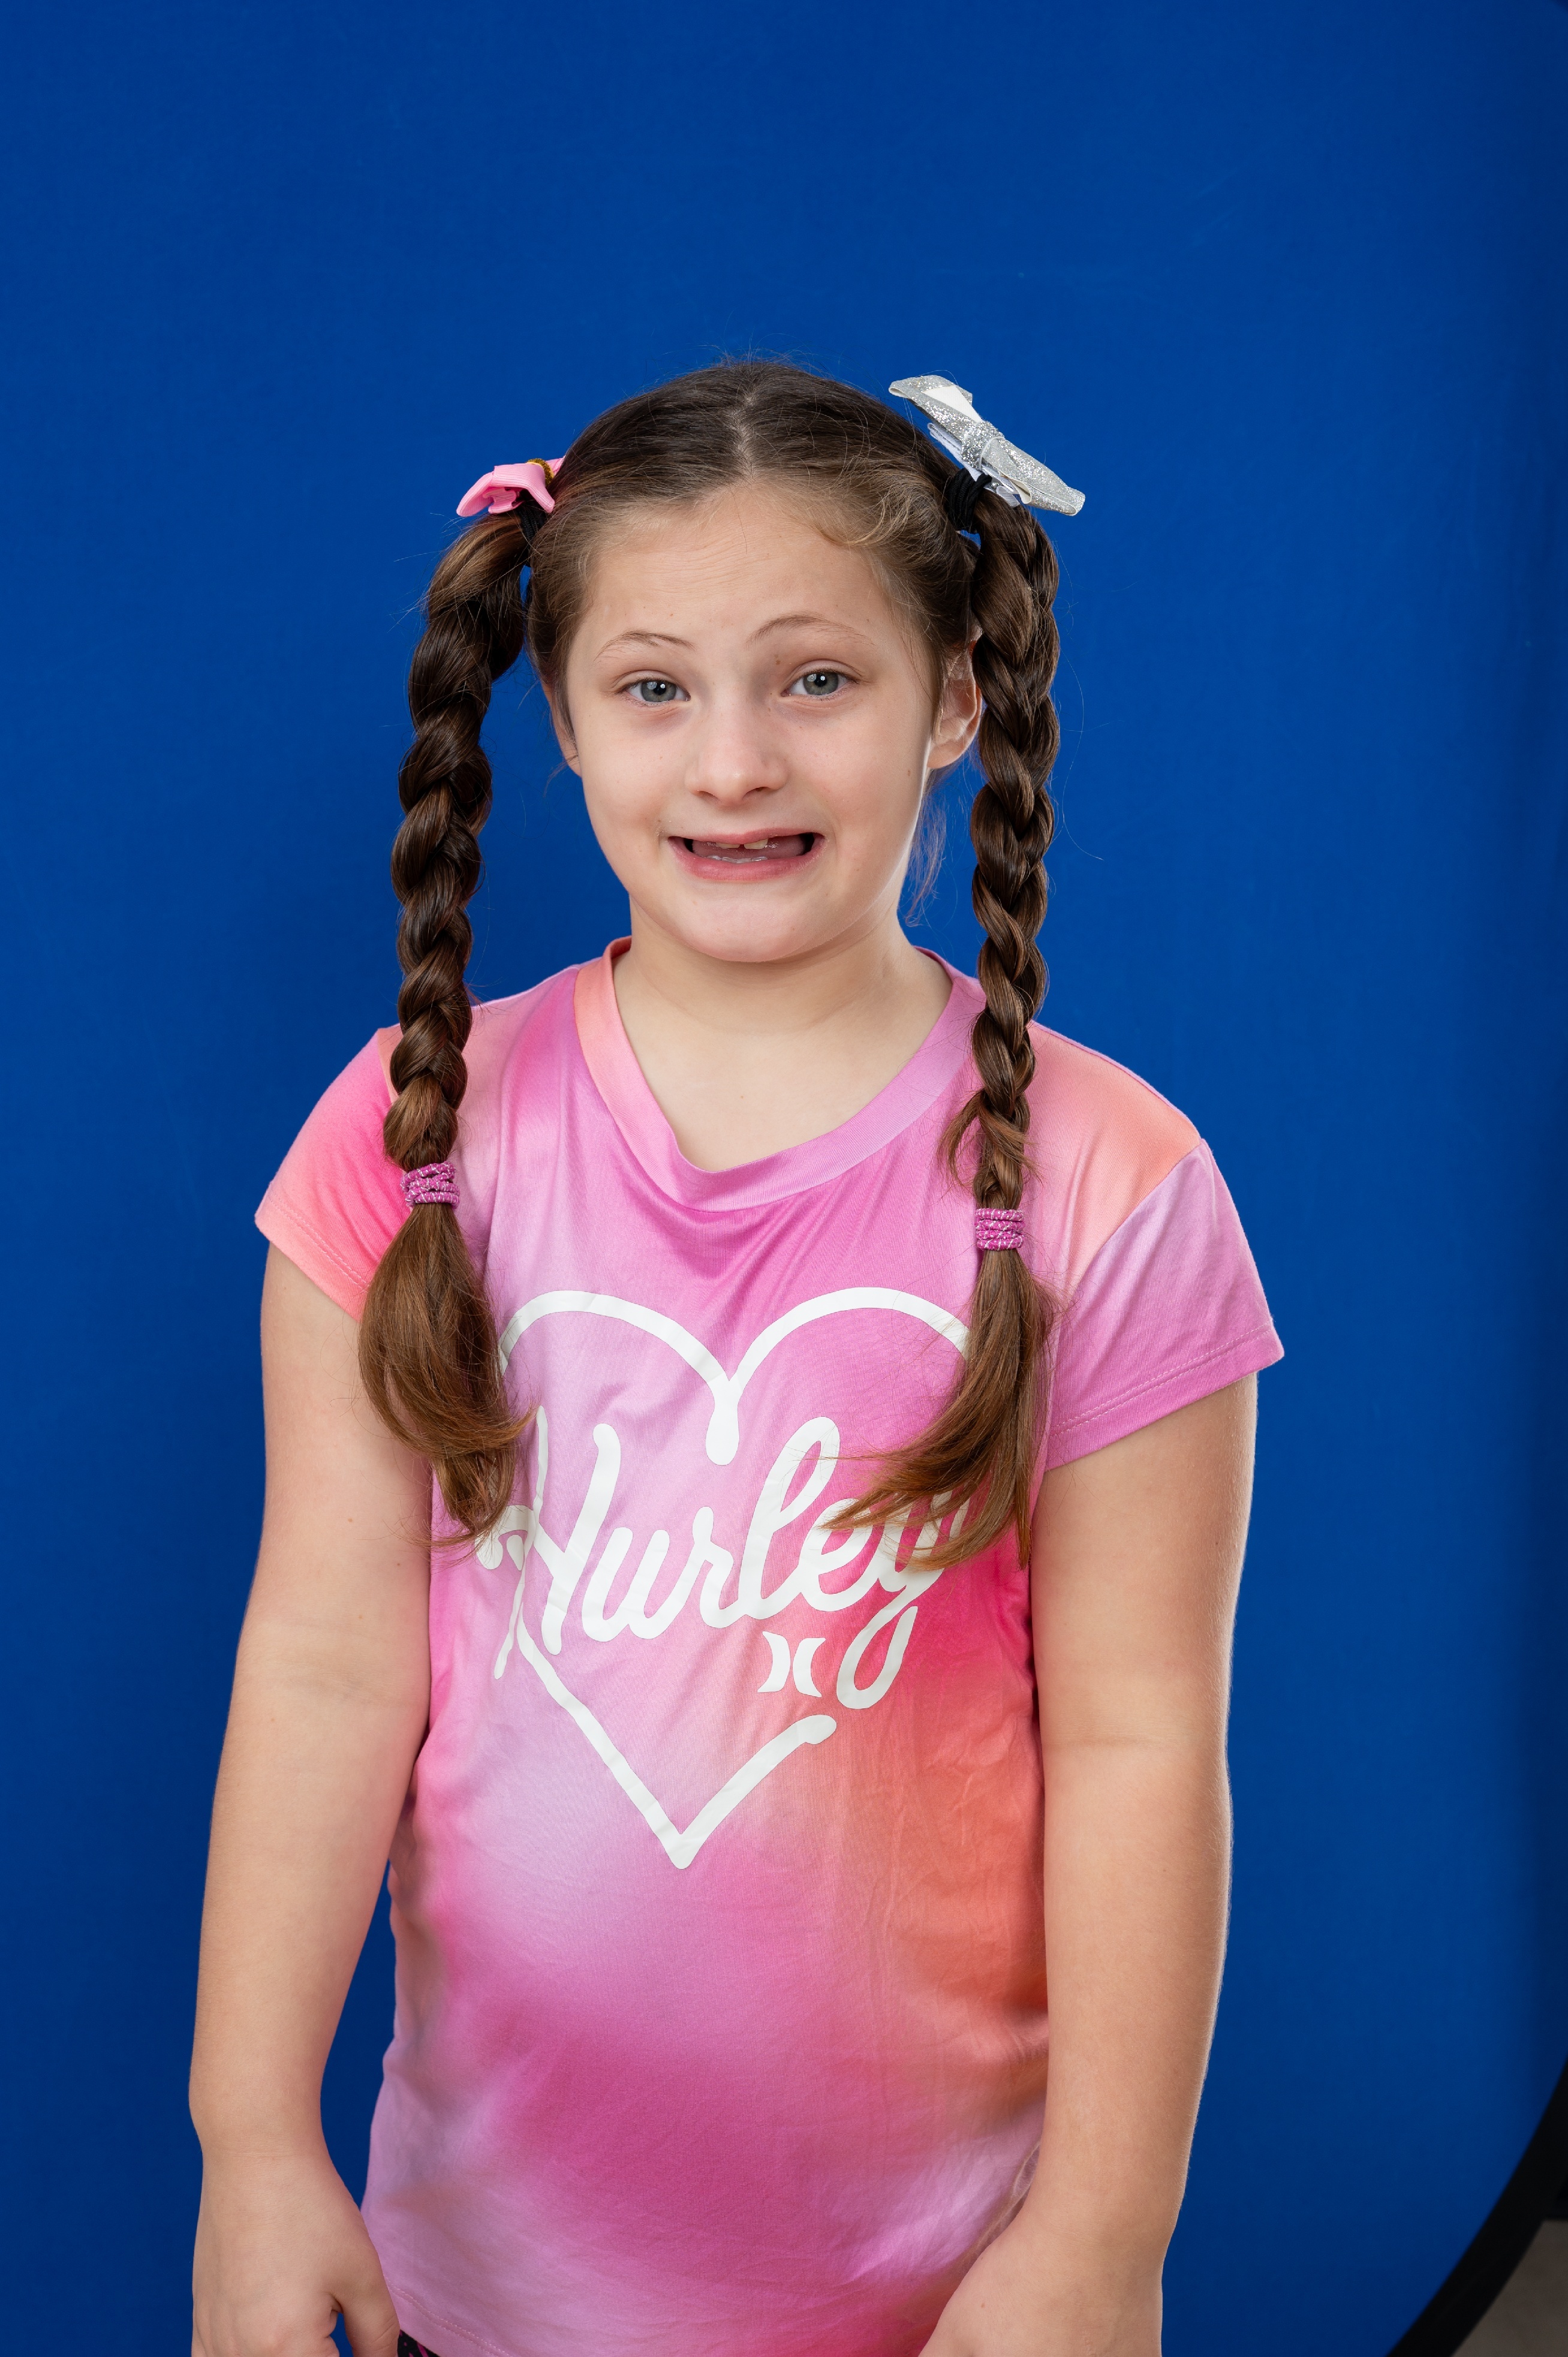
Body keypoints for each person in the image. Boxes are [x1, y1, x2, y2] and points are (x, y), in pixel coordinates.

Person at [189, 360, 1282, 2357]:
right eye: (656, 686)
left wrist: (1103, 2230)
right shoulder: (411, 1138)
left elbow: (1140, 1736)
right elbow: (330, 1660)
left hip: (948, 2304)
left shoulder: (1114, 1184)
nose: (735, 761)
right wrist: (251, 2138)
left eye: (818, 679)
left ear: (954, 698)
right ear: (562, 716)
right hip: (482, 2288)